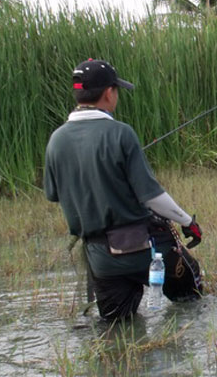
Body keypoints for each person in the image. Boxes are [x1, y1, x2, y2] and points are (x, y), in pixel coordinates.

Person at [44, 58, 204, 321]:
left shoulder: (56, 140)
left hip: (100, 259)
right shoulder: (121, 133)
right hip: (145, 250)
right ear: (109, 93)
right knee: (193, 301)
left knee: (117, 329)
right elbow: (152, 197)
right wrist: (188, 222)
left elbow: (54, 194)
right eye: (116, 90)